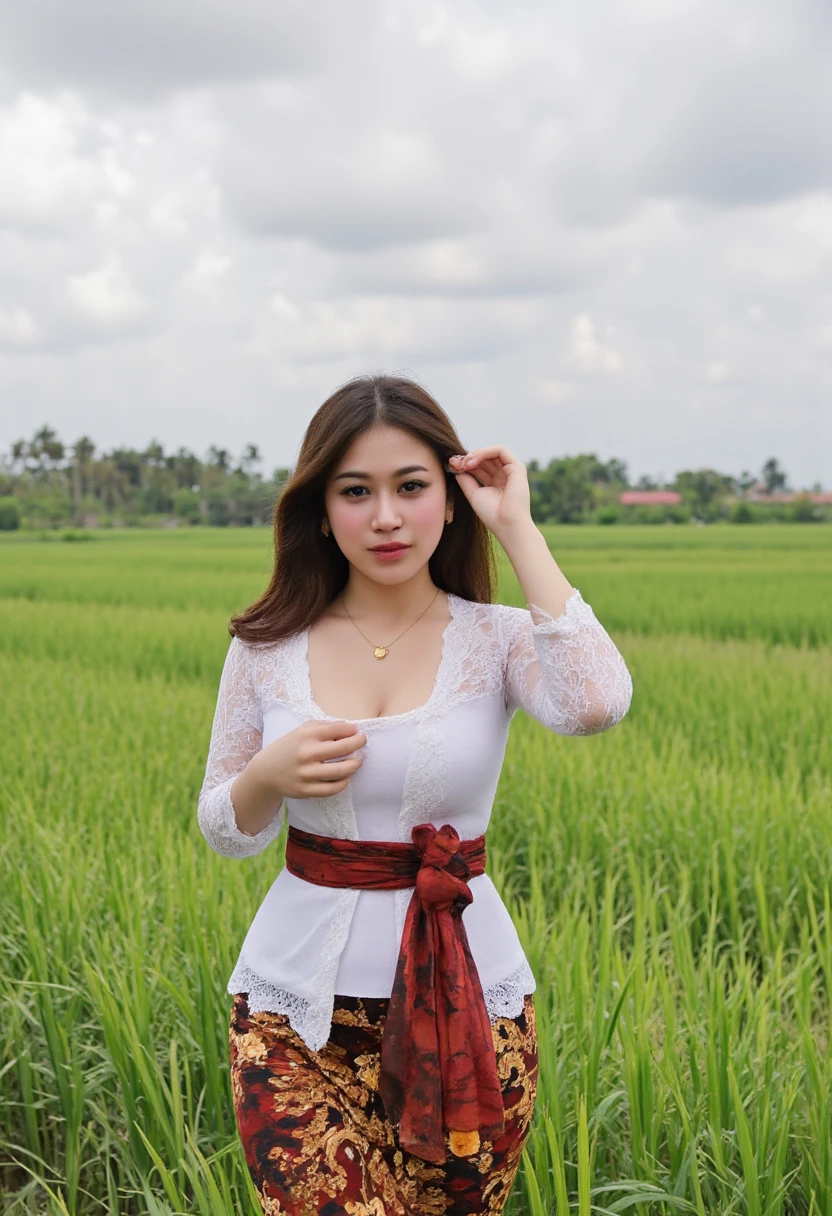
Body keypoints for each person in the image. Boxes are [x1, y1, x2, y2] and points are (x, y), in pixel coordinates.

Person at [197, 372, 633, 1215]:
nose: (387, 517)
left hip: (470, 1013)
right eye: (356, 491)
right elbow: (226, 826)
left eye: (411, 487)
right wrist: (265, 779)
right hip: (294, 1019)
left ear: (451, 499)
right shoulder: (267, 648)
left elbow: (595, 703)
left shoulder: (498, 638)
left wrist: (519, 526)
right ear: (321, 510)